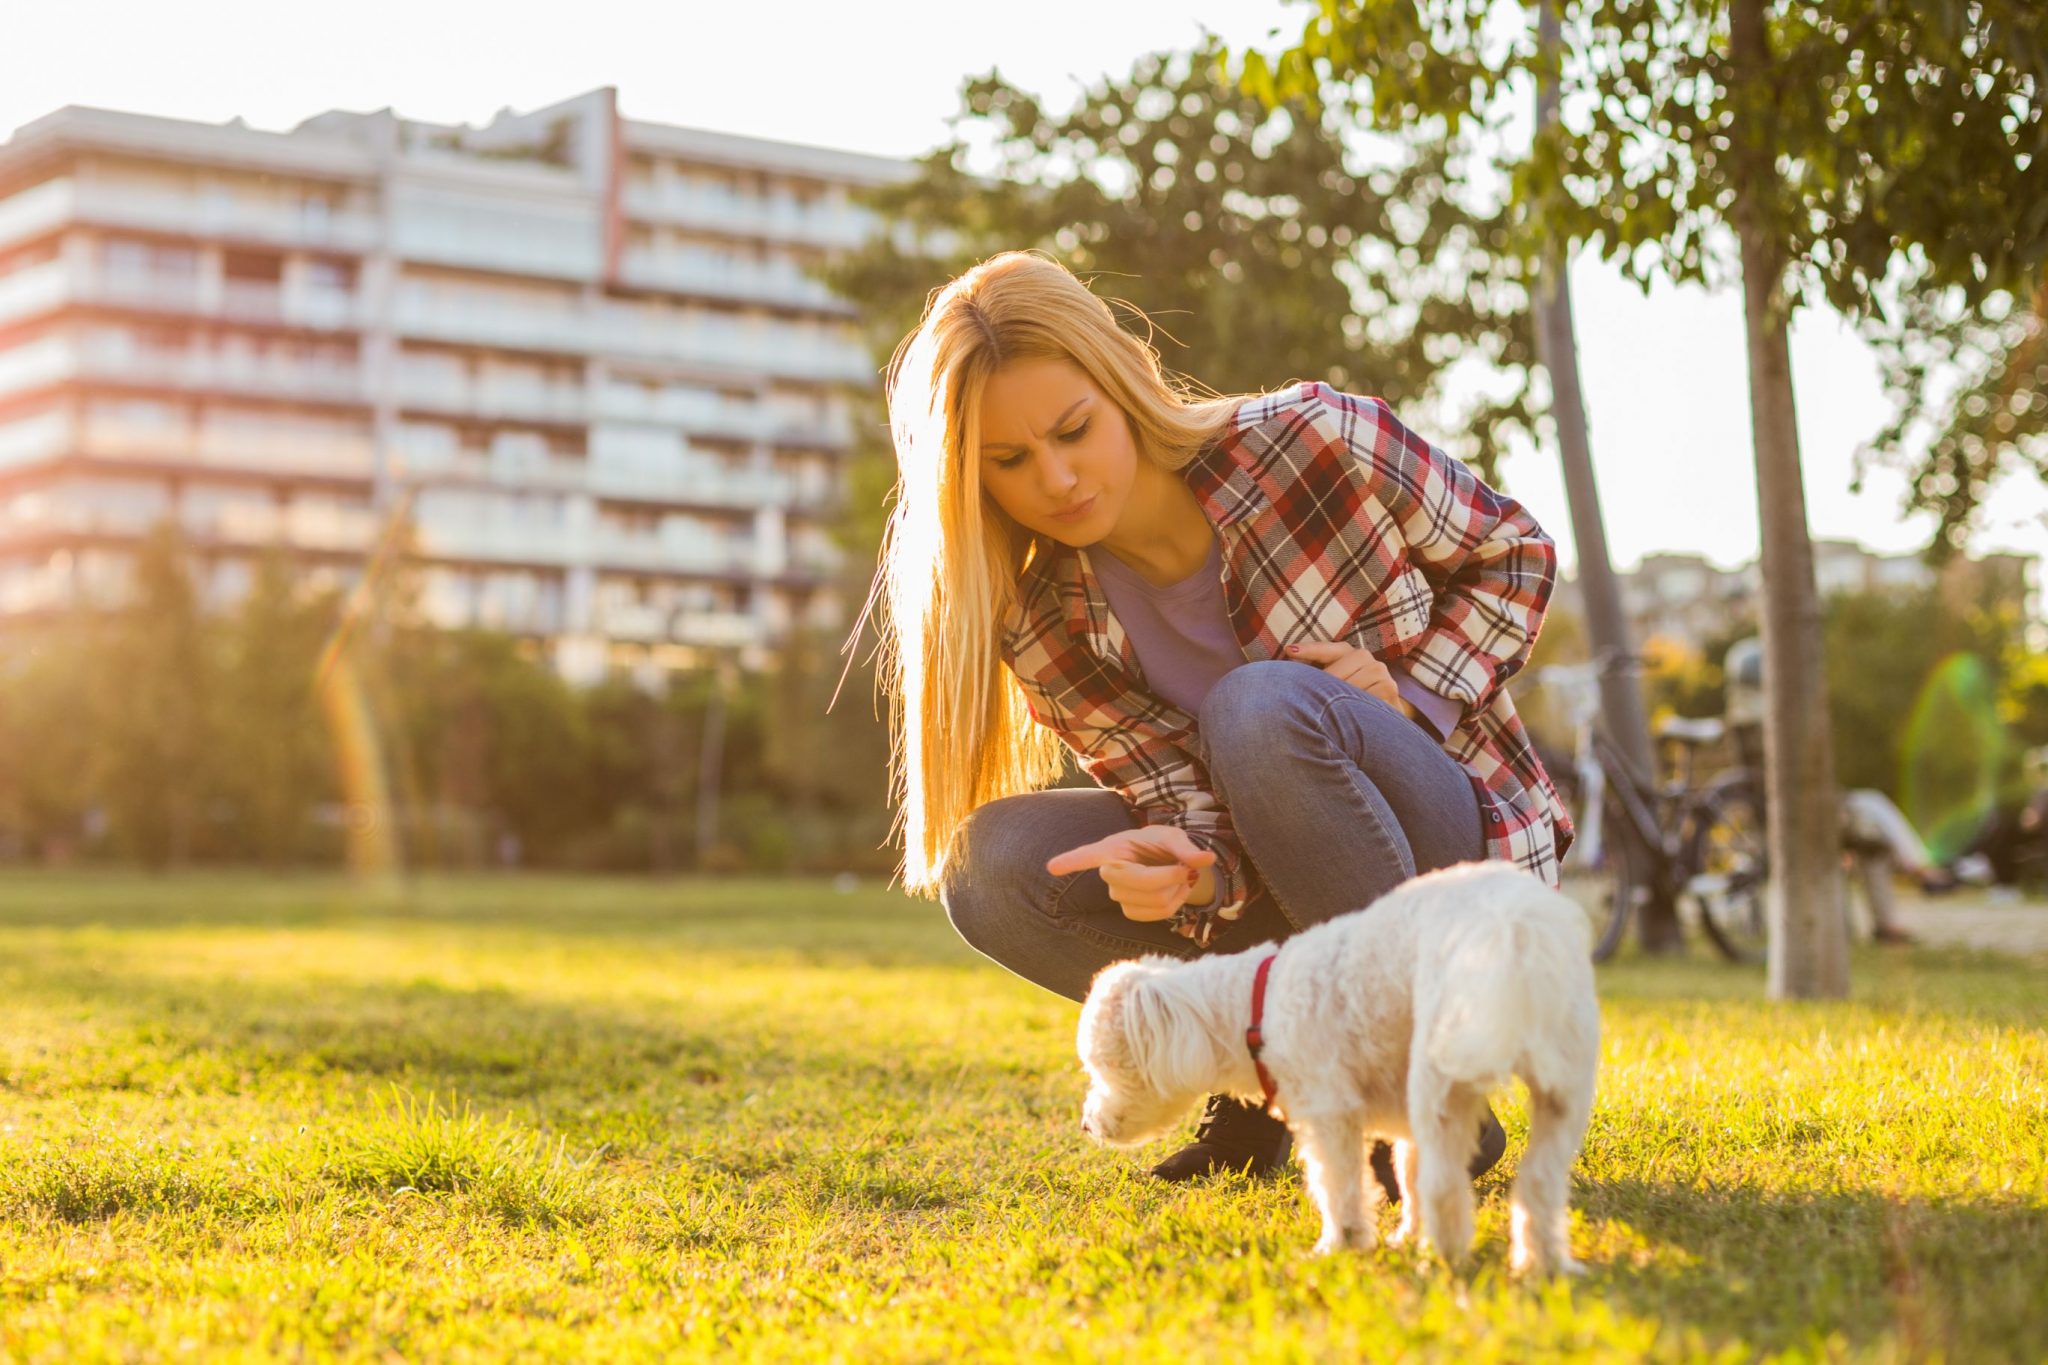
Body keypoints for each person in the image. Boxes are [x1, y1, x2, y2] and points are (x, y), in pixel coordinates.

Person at [868, 252, 1573, 1188]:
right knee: (987, 866)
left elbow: (1513, 554)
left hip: (1453, 842)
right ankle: (1260, 1096)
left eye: (1074, 430)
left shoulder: (1311, 438)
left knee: (1258, 704)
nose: (1059, 477)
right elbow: (1190, 807)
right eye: (1010, 462)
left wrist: (1411, 691)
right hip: (1284, 877)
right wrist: (1190, 883)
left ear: (1119, 382)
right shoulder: (1040, 620)